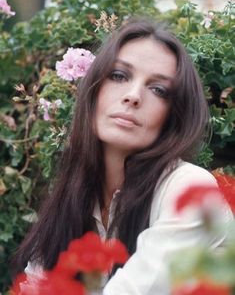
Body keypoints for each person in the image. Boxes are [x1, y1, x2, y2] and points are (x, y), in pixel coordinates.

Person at [12, 18, 233, 294]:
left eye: (158, 89)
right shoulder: (75, 195)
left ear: (173, 116)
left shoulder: (187, 187)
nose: (133, 96)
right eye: (119, 76)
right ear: (95, 91)